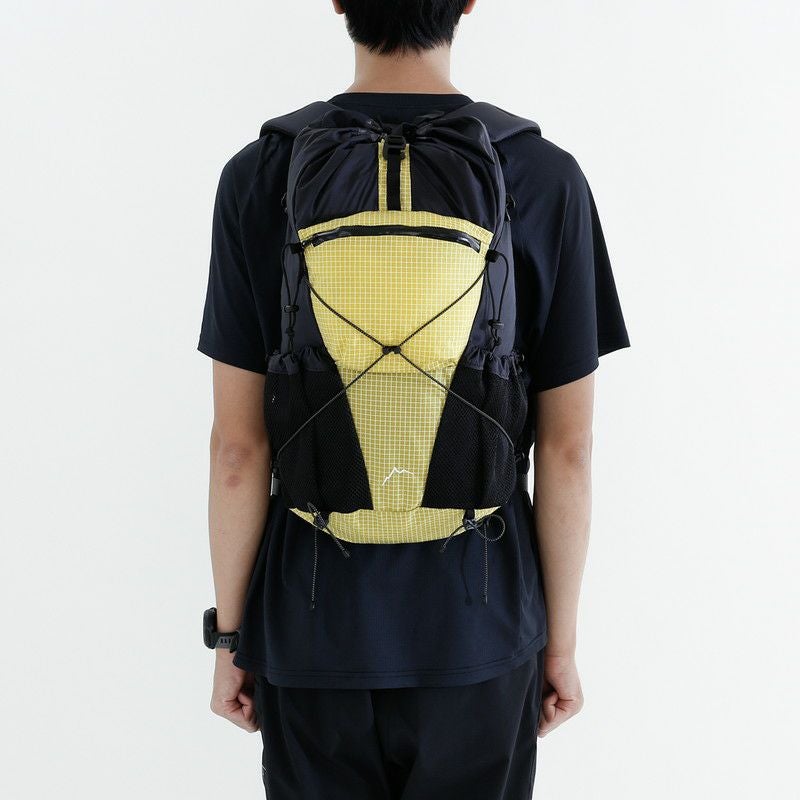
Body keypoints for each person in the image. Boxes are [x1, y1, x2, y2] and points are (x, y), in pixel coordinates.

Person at [197, 1, 630, 797]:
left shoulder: (261, 173)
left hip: (311, 629)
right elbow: (568, 449)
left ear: (338, 0)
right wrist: (559, 645)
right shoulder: (542, 174)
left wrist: (230, 637)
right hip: (482, 630)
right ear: (467, 1)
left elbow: (237, 450)